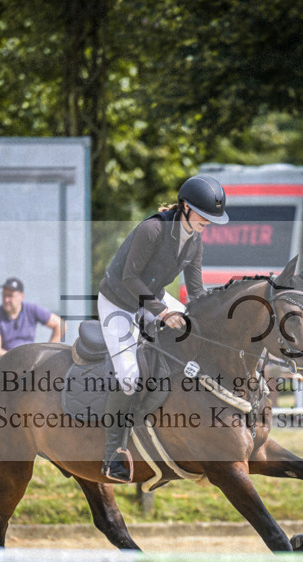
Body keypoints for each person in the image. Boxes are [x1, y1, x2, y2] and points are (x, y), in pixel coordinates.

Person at [97, 174, 228, 482]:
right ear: (185, 207)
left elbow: (196, 291)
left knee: (193, 334)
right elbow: (130, 278)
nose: (208, 223)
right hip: (118, 301)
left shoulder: (194, 241)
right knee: (129, 377)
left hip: (152, 298)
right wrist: (164, 312)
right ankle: (112, 455)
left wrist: (215, 316)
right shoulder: (153, 230)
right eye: (204, 215)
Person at [0, 277, 63, 358]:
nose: (6, 300)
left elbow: (61, 324)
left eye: (10, 296)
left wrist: (48, 353)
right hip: (6, 362)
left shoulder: (32, 309)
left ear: (21, 296)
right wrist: (19, 360)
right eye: (4, 295)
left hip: (31, 359)